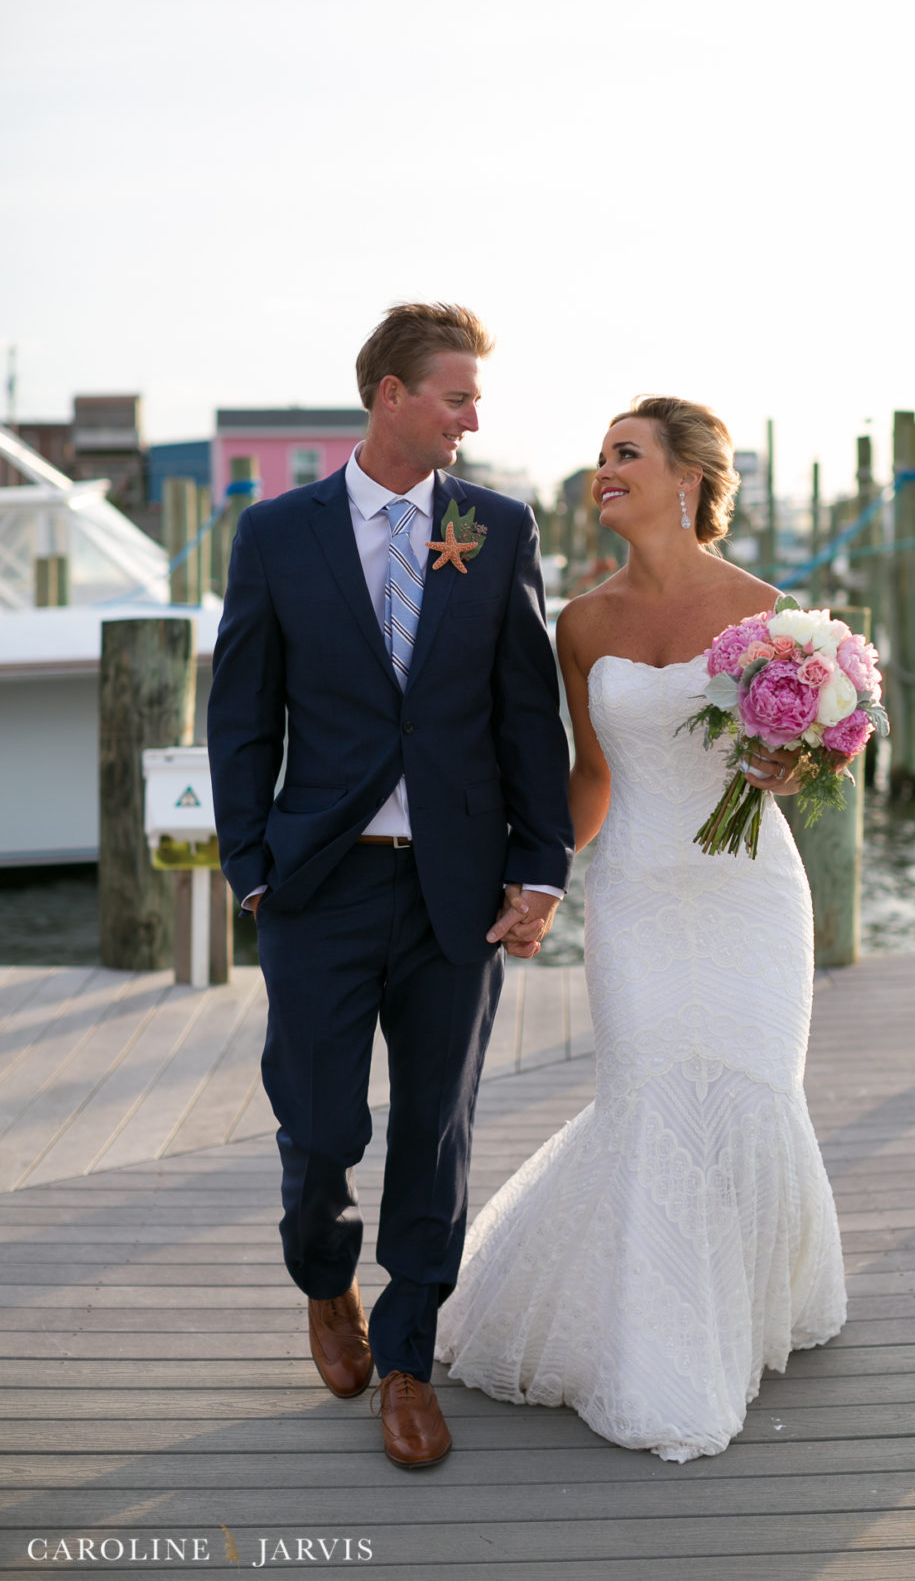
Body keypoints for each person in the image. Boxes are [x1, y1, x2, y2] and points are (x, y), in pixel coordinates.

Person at [435, 396, 846, 1462]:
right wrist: (539, 884)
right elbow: (592, 772)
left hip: (749, 891)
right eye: (600, 455)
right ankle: (663, 1351)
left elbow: (801, 759)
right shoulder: (581, 622)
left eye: (626, 454)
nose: (602, 470)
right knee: (653, 1095)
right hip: (634, 894)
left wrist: (793, 764)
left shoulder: (772, 619)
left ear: (689, 479)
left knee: (749, 1088)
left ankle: (740, 1307)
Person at [207, 303, 573, 1470]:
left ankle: (407, 1358)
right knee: (320, 1128)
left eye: (475, 397)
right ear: (389, 397)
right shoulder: (276, 534)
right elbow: (240, 717)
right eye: (457, 396)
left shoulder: (495, 526)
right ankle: (325, 1279)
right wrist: (250, 867)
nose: (474, 417)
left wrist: (538, 865)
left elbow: (527, 711)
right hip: (317, 883)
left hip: (456, 889)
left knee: (437, 1130)